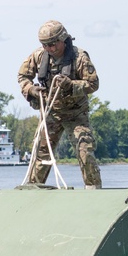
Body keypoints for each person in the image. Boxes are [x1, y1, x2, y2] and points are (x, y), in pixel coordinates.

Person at [17, 19, 102, 189]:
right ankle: (32, 190)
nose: (50, 48)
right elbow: (23, 77)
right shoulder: (38, 56)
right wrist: (31, 90)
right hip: (50, 112)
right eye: (46, 45)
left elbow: (93, 84)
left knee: (84, 149)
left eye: (53, 44)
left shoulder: (80, 57)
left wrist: (72, 85)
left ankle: (94, 190)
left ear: (63, 39)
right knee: (40, 153)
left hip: (75, 114)